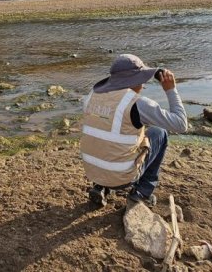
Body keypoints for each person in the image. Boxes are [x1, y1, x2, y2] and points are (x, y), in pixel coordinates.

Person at [80, 54, 188, 207]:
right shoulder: (137, 103)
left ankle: (100, 187)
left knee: (111, 131)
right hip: (122, 177)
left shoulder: (92, 95)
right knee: (159, 133)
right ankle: (141, 192)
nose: (143, 85)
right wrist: (171, 90)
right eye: (142, 80)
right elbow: (181, 124)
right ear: (135, 81)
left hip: (92, 171)